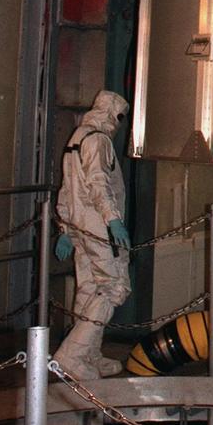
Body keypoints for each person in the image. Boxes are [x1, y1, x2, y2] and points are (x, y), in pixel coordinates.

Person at [54, 90, 132, 379]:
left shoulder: (77, 137)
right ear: (113, 114)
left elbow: (68, 187)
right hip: (99, 225)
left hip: (79, 225)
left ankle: (89, 354)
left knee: (88, 288)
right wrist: (113, 221)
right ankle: (72, 356)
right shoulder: (99, 141)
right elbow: (99, 184)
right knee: (113, 286)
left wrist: (66, 229)